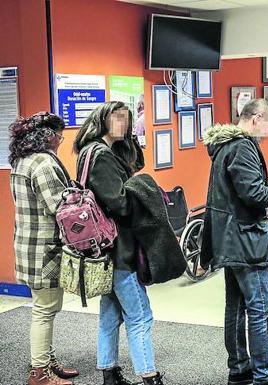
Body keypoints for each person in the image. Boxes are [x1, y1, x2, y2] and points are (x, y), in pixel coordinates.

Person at [200, 99, 268, 385]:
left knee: (236, 306)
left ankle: (239, 369)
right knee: (259, 306)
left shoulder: (224, 146)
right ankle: (264, 374)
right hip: (245, 239)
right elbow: (253, 193)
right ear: (256, 117)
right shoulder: (242, 147)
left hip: (230, 239)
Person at [73, 101, 165, 385]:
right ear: (103, 120)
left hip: (103, 249)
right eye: (118, 119)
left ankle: (109, 373)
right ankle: (149, 376)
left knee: (111, 313)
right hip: (119, 249)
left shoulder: (93, 151)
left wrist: (132, 137)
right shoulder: (101, 156)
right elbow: (119, 202)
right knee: (140, 315)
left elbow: (136, 164)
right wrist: (142, 195)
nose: (123, 124)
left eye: (126, 119)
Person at [9, 112, 79, 385]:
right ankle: (40, 373)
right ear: (48, 136)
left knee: (45, 307)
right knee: (44, 310)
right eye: (59, 136)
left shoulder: (21, 161)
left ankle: (47, 362)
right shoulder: (43, 163)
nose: (61, 142)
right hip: (45, 249)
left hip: (29, 245)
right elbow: (60, 209)